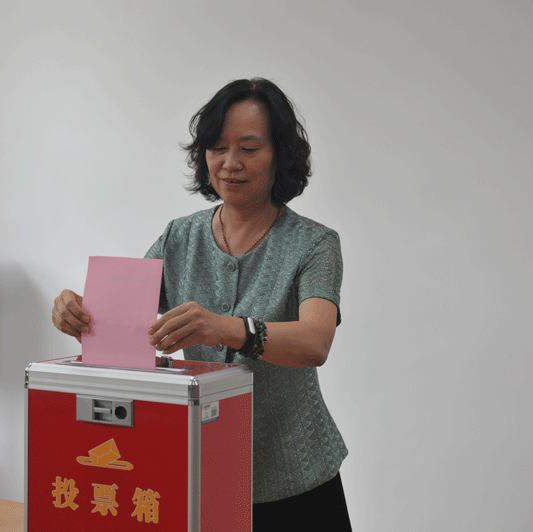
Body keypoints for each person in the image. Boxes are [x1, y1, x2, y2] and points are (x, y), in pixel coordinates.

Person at [52, 78, 351, 530]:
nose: (230, 163)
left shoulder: (314, 244)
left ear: (280, 155)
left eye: (249, 148)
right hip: (204, 468)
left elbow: (315, 342)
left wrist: (225, 327)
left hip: (297, 480)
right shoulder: (180, 237)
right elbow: (119, 320)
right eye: (217, 147)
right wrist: (77, 312)